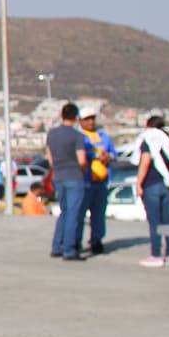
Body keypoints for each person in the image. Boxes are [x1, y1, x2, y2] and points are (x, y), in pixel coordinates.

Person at [133, 115, 169, 267]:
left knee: (154, 221)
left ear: (148, 125)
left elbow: (145, 161)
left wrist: (138, 183)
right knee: (167, 221)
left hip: (152, 184)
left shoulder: (148, 139)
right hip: (168, 185)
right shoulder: (167, 140)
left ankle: (156, 255)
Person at [46, 103, 88, 261]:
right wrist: (82, 172)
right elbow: (82, 160)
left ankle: (57, 246)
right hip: (74, 176)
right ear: (76, 117)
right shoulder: (77, 136)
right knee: (73, 213)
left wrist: (57, 169)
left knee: (63, 211)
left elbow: (49, 156)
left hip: (59, 175)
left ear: (62, 115)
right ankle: (69, 249)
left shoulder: (52, 134)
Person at [76, 105, 117, 255]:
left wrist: (109, 157)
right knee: (80, 214)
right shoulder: (79, 137)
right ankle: (76, 241)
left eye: (93, 119)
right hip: (85, 182)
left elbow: (114, 152)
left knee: (99, 214)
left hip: (101, 182)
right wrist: (94, 156)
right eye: (87, 119)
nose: (91, 122)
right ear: (80, 121)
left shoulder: (103, 136)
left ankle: (96, 240)